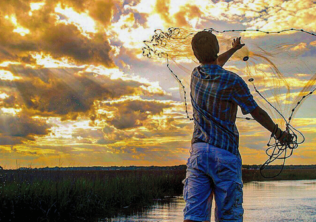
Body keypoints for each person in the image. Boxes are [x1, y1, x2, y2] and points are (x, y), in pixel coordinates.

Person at [183, 31, 290, 222]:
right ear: (216, 50)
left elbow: (214, 64)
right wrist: (279, 134)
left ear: (195, 55)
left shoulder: (196, 75)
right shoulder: (233, 81)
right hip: (225, 155)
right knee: (229, 218)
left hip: (198, 155)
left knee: (194, 216)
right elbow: (256, 112)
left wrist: (232, 50)